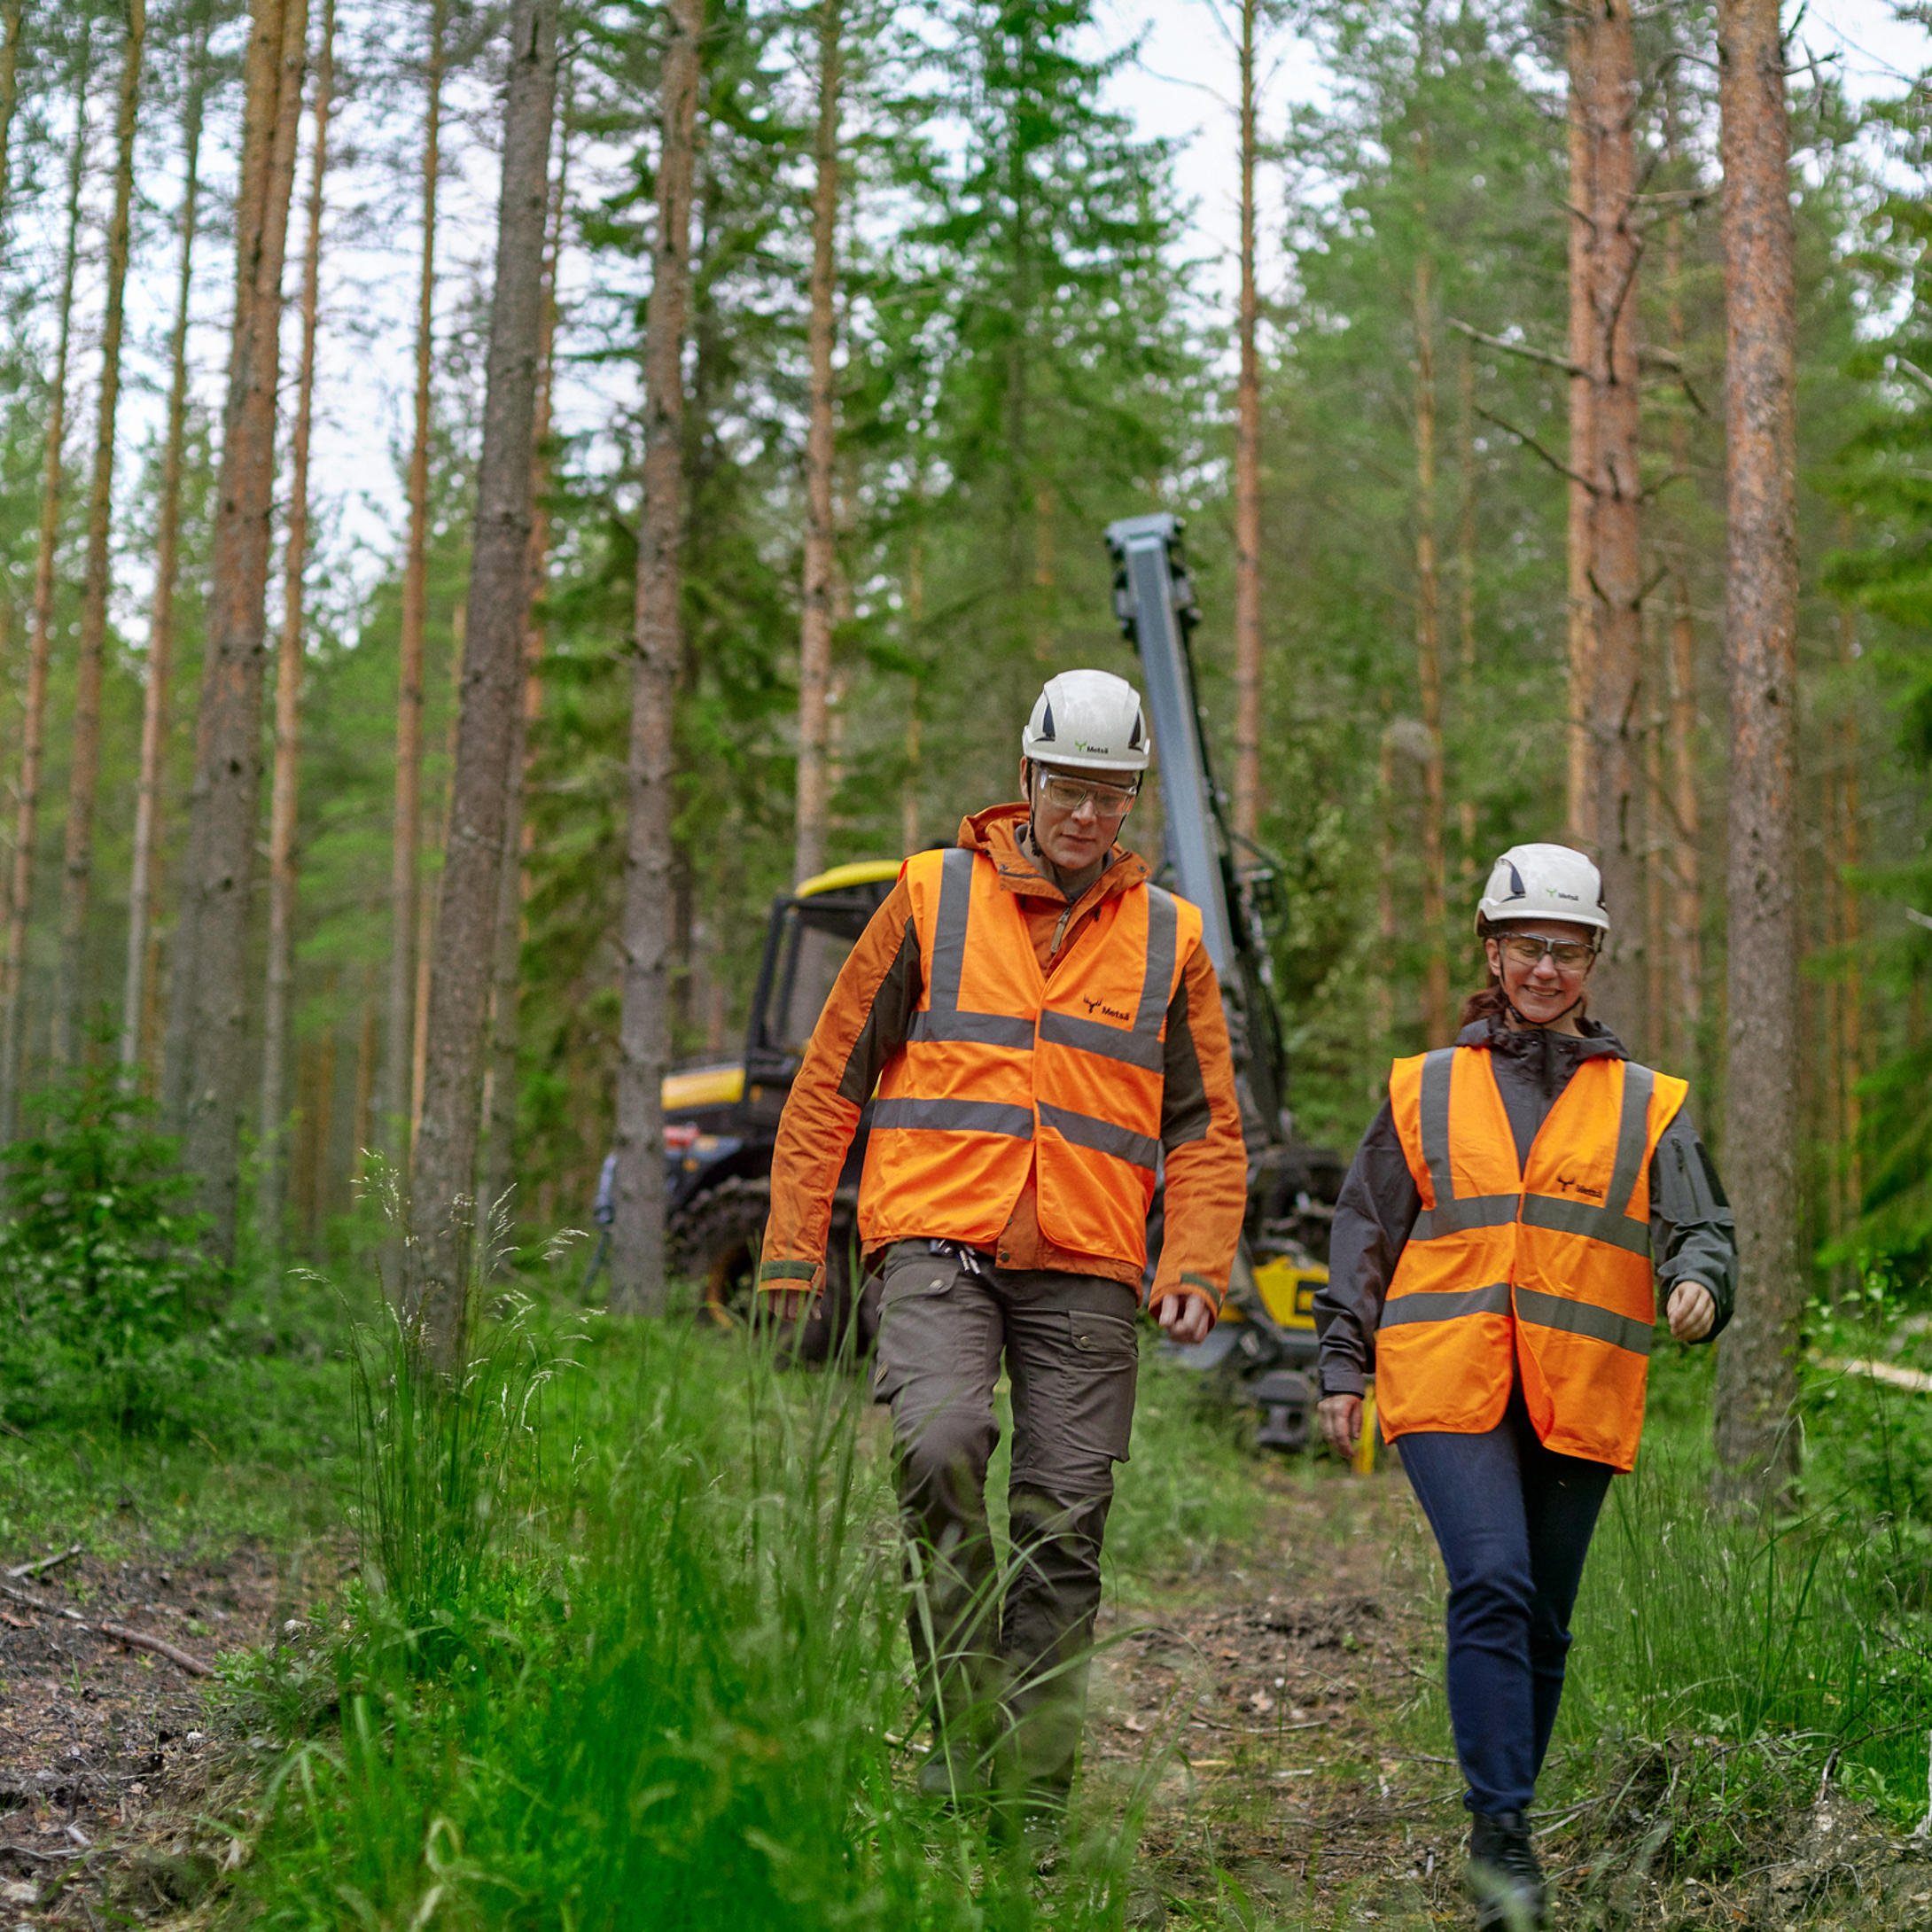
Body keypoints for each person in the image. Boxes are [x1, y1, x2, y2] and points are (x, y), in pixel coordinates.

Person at [759, 668, 1249, 1827]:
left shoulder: (1170, 939)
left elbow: (1208, 1125)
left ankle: (1033, 1793)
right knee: (939, 1444)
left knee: (1065, 1515)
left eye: (1110, 795)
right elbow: (832, 1077)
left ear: (1131, 800)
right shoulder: (930, 897)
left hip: (1086, 1257)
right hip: (939, 1236)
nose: (1086, 815)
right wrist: (791, 1249)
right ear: (1028, 776)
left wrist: (1193, 1262)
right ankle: (961, 1717)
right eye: (1069, 788)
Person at [1313, 842, 1736, 1932]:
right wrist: (1340, 1359)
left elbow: (1700, 1226)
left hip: (1577, 1383)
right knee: (1491, 1578)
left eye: (1567, 947)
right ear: (1490, 950)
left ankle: (1503, 1820)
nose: (1544, 967)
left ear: (1593, 957)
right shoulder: (1424, 1085)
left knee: (1543, 1621)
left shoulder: (1647, 1101)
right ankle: (1501, 1837)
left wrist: (1695, 1280)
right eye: (1525, 945)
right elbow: (1366, 1227)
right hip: (1444, 1374)